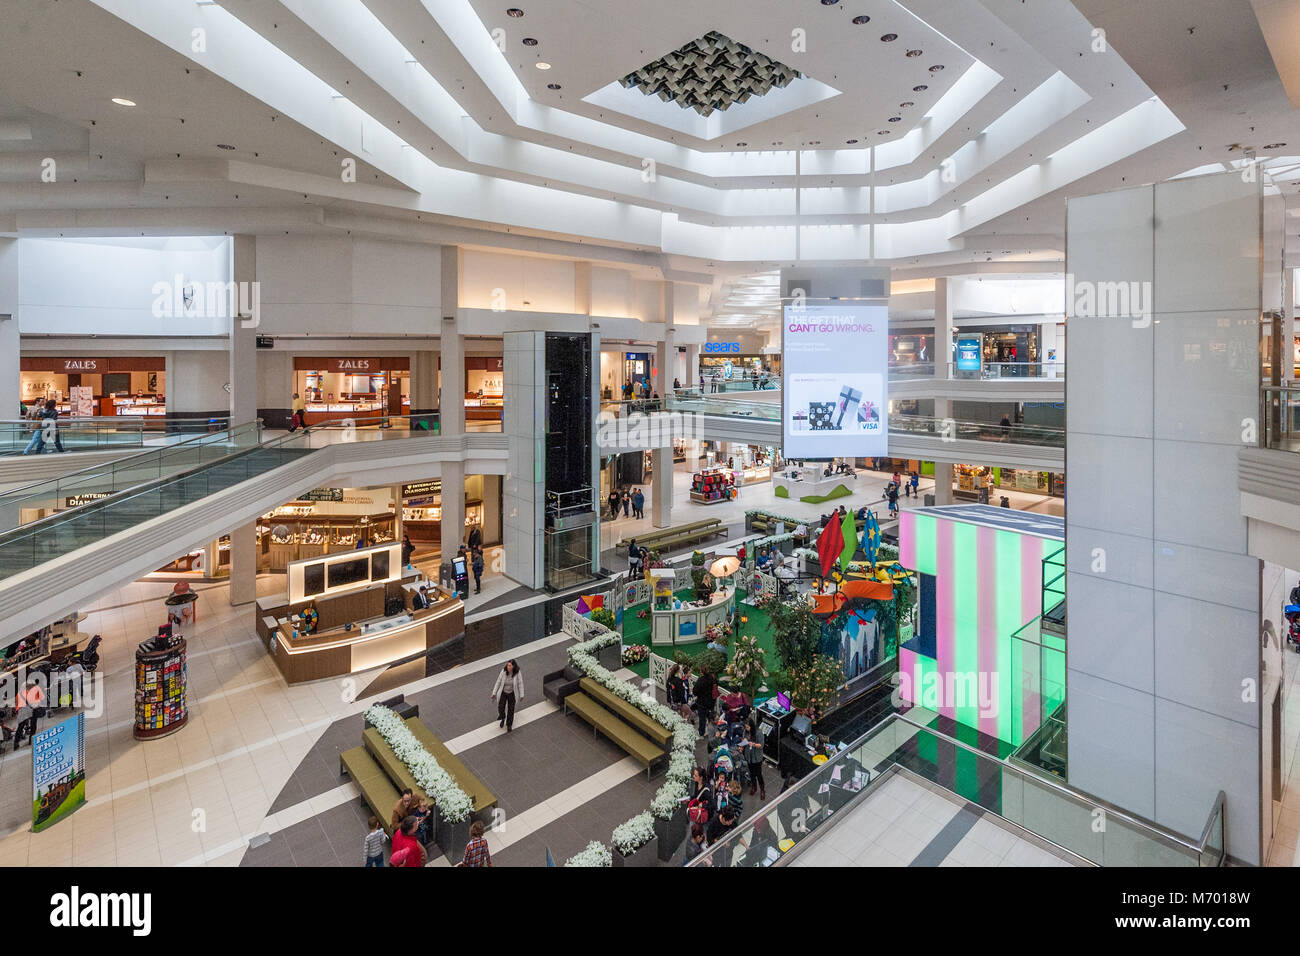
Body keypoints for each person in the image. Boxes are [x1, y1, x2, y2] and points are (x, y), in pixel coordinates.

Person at [490, 659, 524, 731]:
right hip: (503, 692)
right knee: (501, 707)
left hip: (512, 693)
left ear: (513, 666)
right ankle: (502, 717)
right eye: (508, 665)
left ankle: (509, 724)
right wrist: (494, 693)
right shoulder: (503, 671)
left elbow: (520, 683)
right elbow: (498, 682)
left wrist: (521, 694)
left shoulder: (517, 673)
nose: (508, 667)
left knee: (511, 710)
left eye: (510, 665)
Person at [745, 721, 766, 799]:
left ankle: (762, 790)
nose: (746, 729)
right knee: (752, 773)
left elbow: (761, 745)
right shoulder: (746, 732)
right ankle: (754, 787)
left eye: (748, 727)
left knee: (758, 774)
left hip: (757, 757)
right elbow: (744, 738)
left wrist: (753, 744)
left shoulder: (759, 733)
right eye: (746, 727)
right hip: (749, 756)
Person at [693, 668, 716, 738]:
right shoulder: (712, 678)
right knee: (710, 717)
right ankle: (712, 731)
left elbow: (695, 691)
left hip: (702, 703)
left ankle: (701, 733)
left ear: (701, 672)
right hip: (711, 702)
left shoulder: (700, 680)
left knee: (702, 718)